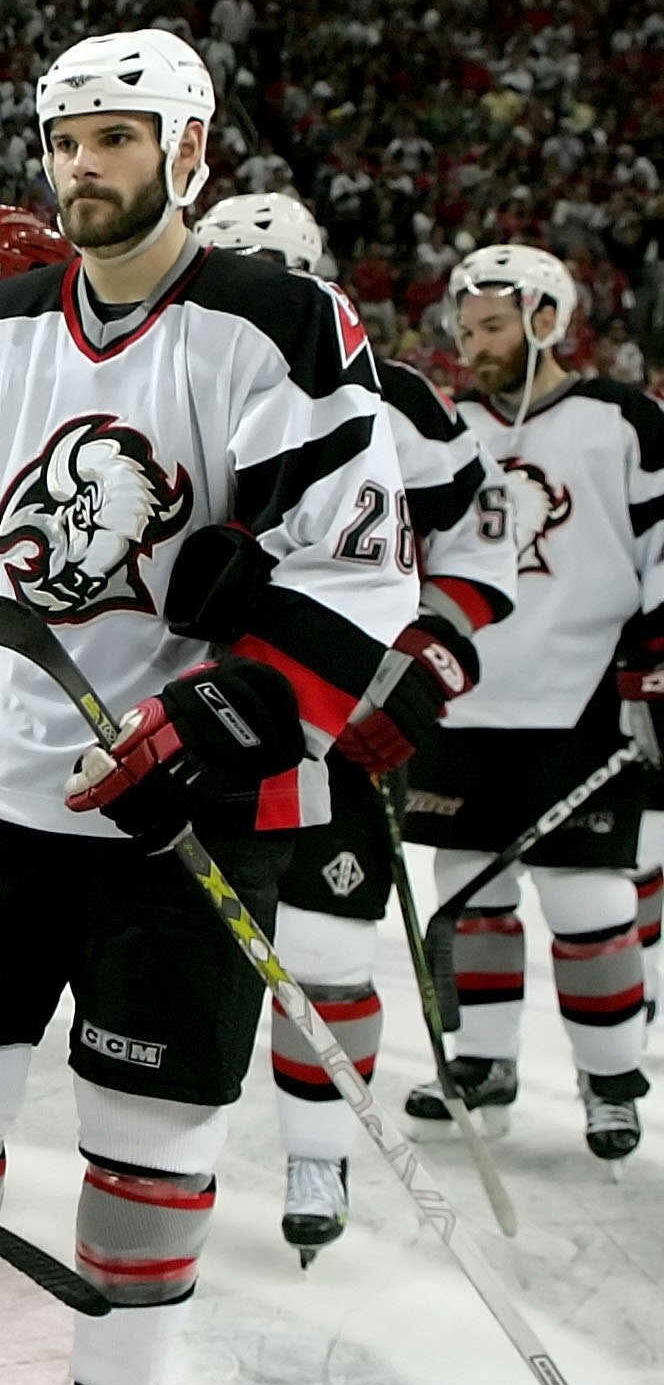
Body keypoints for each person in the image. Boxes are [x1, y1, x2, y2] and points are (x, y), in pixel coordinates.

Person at [0, 29, 411, 1385]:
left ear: (187, 153)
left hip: (191, 806)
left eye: (117, 137)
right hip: (9, 782)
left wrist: (231, 700)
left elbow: (359, 558)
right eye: (67, 140)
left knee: (148, 1117)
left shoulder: (274, 322)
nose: (84, 167)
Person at [191, 192, 516, 1256]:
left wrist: (429, 658)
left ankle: (316, 1150)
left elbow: (480, 549)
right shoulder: (164, 368)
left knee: (325, 952)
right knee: (170, 965)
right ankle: (163, 1164)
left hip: (324, 721)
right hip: (185, 720)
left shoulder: (402, 399)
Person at [400, 242, 659, 1166]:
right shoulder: (444, 425)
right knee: (470, 892)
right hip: (465, 700)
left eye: (494, 326)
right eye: (466, 330)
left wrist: (656, 653)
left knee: (588, 894)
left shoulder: (619, 418)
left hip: (583, 697)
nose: (475, 346)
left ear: (547, 319)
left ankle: (611, 1080)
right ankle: (486, 1063)